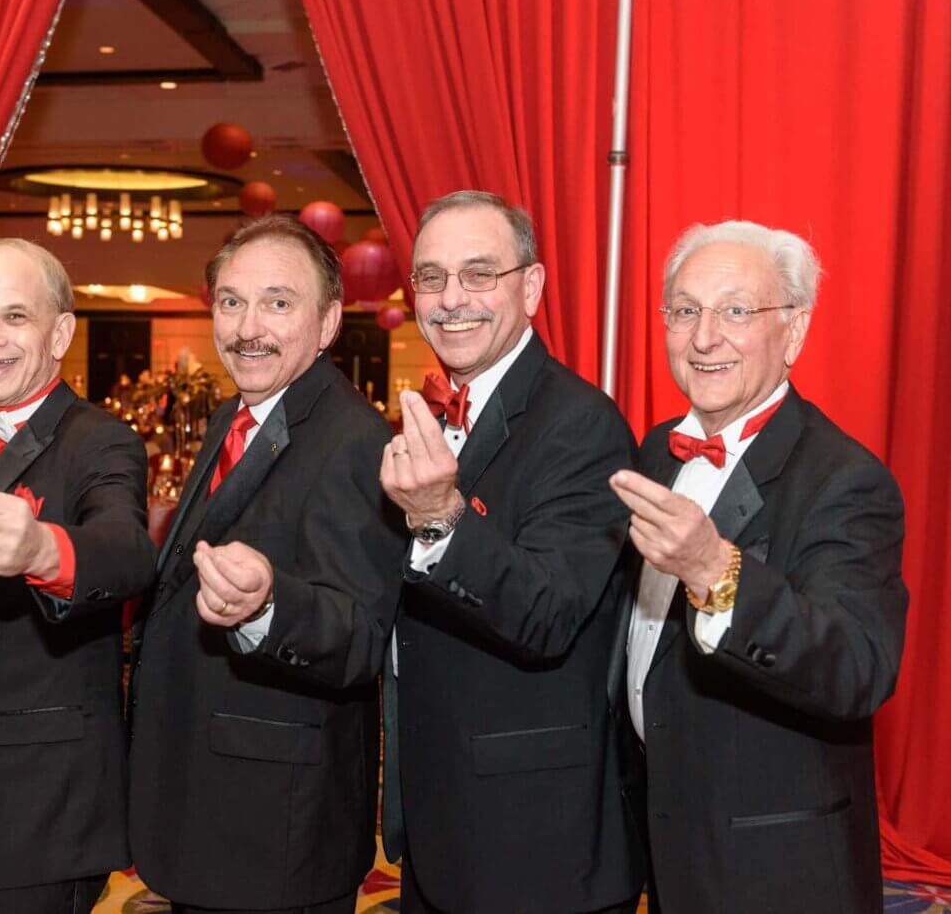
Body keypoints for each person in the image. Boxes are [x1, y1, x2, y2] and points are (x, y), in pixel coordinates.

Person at [610, 220, 907, 913]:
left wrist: (720, 572)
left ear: (795, 332)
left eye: (736, 311)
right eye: (685, 310)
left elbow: (858, 666)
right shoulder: (659, 450)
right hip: (667, 839)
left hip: (779, 871)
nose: (704, 336)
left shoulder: (845, 479)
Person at [127, 215, 405, 914]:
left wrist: (268, 606)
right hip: (210, 802)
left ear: (329, 321)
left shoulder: (354, 441)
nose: (249, 325)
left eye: (278, 303)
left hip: (277, 828)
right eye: (231, 301)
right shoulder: (231, 416)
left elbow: (360, 636)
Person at [380, 190, 643, 913]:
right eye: (430, 277)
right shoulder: (431, 412)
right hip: (443, 821)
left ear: (531, 287)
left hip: (536, 838)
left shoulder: (581, 424)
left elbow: (548, 612)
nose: (450, 298)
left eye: (478, 274)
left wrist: (441, 520)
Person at [0, 238, 157, 914]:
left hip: (42, 805)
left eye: (15, 318)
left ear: (59, 334)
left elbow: (128, 549)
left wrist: (44, 552)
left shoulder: (98, 438)